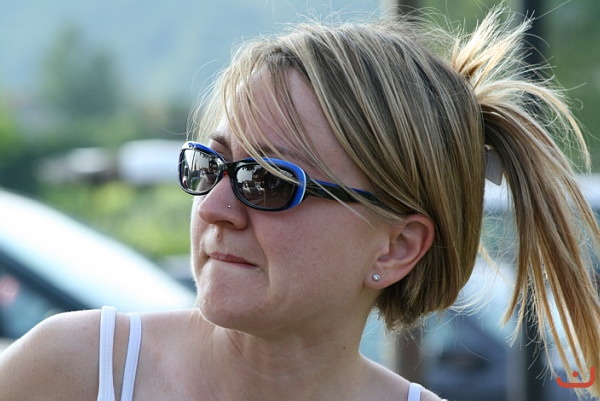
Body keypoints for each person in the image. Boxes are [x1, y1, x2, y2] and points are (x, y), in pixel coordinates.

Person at [1, 6, 599, 401]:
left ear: (397, 247)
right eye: (208, 166)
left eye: (268, 182)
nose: (215, 207)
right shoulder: (75, 370)